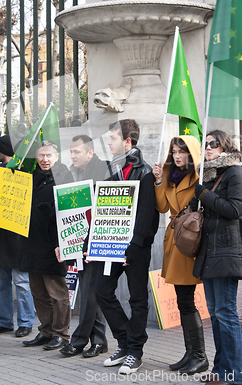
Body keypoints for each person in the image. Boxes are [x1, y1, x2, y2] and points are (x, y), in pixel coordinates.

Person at [94, 119, 159, 375]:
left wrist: (134, 245)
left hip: (136, 248)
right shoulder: (111, 170)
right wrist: (95, 244)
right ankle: (124, 342)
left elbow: (146, 214)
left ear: (127, 141)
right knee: (102, 291)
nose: (108, 142)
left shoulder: (143, 171)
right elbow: (104, 211)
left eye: (112, 138)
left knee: (138, 299)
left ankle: (135, 352)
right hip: (110, 246)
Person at [192, 130, 242, 385]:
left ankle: (234, 376)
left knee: (226, 313)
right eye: (205, 145)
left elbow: (236, 209)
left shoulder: (237, 172)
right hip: (210, 250)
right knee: (215, 314)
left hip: (227, 250)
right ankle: (220, 370)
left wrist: (205, 195)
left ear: (224, 146)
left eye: (212, 144)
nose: (207, 148)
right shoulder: (209, 175)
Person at [152, 136, 209, 375]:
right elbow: (163, 207)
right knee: (181, 299)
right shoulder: (170, 176)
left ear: (192, 154)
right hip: (175, 239)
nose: (177, 156)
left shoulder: (199, 177)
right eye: (174, 151)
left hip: (188, 241)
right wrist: (158, 181)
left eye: (182, 152)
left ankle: (199, 355)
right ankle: (190, 353)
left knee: (187, 300)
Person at [60, 135, 108, 358]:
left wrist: (93, 245)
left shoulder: (102, 171)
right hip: (78, 242)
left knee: (89, 294)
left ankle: (79, 340)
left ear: (90, 152)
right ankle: (99, 341)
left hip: (95, 244)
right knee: (90, 294)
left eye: (76, 151)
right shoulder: (74, 172)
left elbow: (103, 213)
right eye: (71, 151)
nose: (72, 155)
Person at [20, 140, 72, 351]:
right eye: (41, 155)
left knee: (57, 293)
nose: (44, 159)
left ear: (57, 156)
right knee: (38, 292)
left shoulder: (64, 176)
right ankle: (46, 331)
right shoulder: (31, 177)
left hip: (53, 244)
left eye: (49, 155)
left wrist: (52, 212)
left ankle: (61, 334)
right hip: (32, 242)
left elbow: (70, 210)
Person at [0, 135, 35, 337]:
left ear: (3, 150)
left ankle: (26, 321)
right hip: (1, 233)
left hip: (18, 233)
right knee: (0, 281)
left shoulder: (22, 171)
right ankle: (4, 321)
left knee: (21, 281)